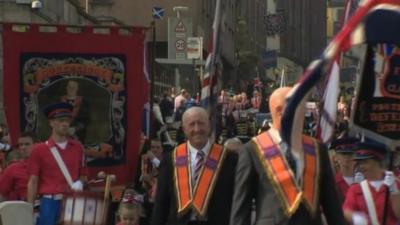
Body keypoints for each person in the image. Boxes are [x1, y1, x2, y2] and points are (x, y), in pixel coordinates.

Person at [230, 87, 346, 225]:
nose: (304, 111)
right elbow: (241, 210)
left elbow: (331, 205)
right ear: (280, 112)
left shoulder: (317, 149)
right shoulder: (252, 150)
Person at [150, 106, 238, 225]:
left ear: (209, 126)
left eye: (201, 123)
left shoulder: (229, 159)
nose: (197, 129)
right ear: (184, 129)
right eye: (192, 124)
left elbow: (236, 202)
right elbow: (161, 204)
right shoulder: (170, 159)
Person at [27, 102, 87, 225]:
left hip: (72, 201)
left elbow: (84, 174)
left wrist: (80, 182)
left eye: (67, 120)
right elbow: (33, 181)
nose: (65, 124)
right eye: (60, 120)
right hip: (50, 202)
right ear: (51, 123)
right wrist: (29, 208)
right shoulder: (39, 150)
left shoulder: (78, 147)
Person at [343, 142, 400, 225]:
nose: (361, 166)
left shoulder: (395, 184)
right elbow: (346, 211)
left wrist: (394, 191)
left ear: (377, 161)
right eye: (360, 163)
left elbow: (398, 214)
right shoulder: (356, 188)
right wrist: (354, 217)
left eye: (365, 162)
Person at [0, 132, 35, 201]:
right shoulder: (12, 169)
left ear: (36, 145)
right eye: (20, 145)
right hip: (23, 208)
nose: (23, 147)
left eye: (27, 144)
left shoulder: (47, 165)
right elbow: (1, 194)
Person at [330, 137, 360, 202]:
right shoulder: (332, 184)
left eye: (351, 154)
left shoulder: (364, 181)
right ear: (335, 157)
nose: (347, 157)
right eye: (343, 154)